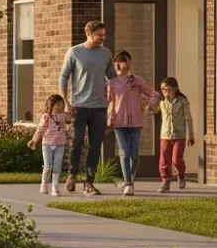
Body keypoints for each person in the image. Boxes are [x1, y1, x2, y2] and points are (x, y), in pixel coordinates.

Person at [60, 20, 117, 196]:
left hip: (99, 107)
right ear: (89, 34)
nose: (102, 38)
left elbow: (113, 79)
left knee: (95, 146)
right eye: (99, 35)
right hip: (79, 106)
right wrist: (66, 103)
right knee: (77, 142)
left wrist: (113, 105)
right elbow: (64, 77)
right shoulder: (75, 52)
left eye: (104, 35)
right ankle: (72, 174)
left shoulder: (106, 54)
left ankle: (89, 182)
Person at [105, 51, 159, 196]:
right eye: (120, 61)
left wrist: (152, 101)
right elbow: (106, 101)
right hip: (118, 122)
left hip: (136, 122)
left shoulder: (137, 80)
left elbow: (153, 93)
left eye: (126, 60)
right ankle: (128, 184)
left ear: (130, 62)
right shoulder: (111, 82)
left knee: (134, 154)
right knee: (124, 153)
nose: (123, 64)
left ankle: (130, 178)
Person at [157, 77, 195, 193]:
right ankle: (165, 182)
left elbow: (188, 118)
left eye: (168, 89)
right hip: (165, 135)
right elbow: (152, 110)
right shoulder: (162, 102)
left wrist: (191, 135)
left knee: (176, 159)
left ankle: (181, 175)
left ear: (175, 89)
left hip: (179, 135)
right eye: (163, 90)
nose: (165, 92)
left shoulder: (182, 101)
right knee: (164, 161)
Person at [28, 95, 70, 197]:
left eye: (62, 104)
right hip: (47, 144)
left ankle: (55, 187)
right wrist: (34, 140)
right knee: (48, 165)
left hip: (60, 145)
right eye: (58, 104)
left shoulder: (64, 115)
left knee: (57, 167)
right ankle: (44, 183)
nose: (61, 107)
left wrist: (69, 104)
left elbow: (71, 118)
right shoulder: (46, 117)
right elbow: (40, 129)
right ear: (52, 105)